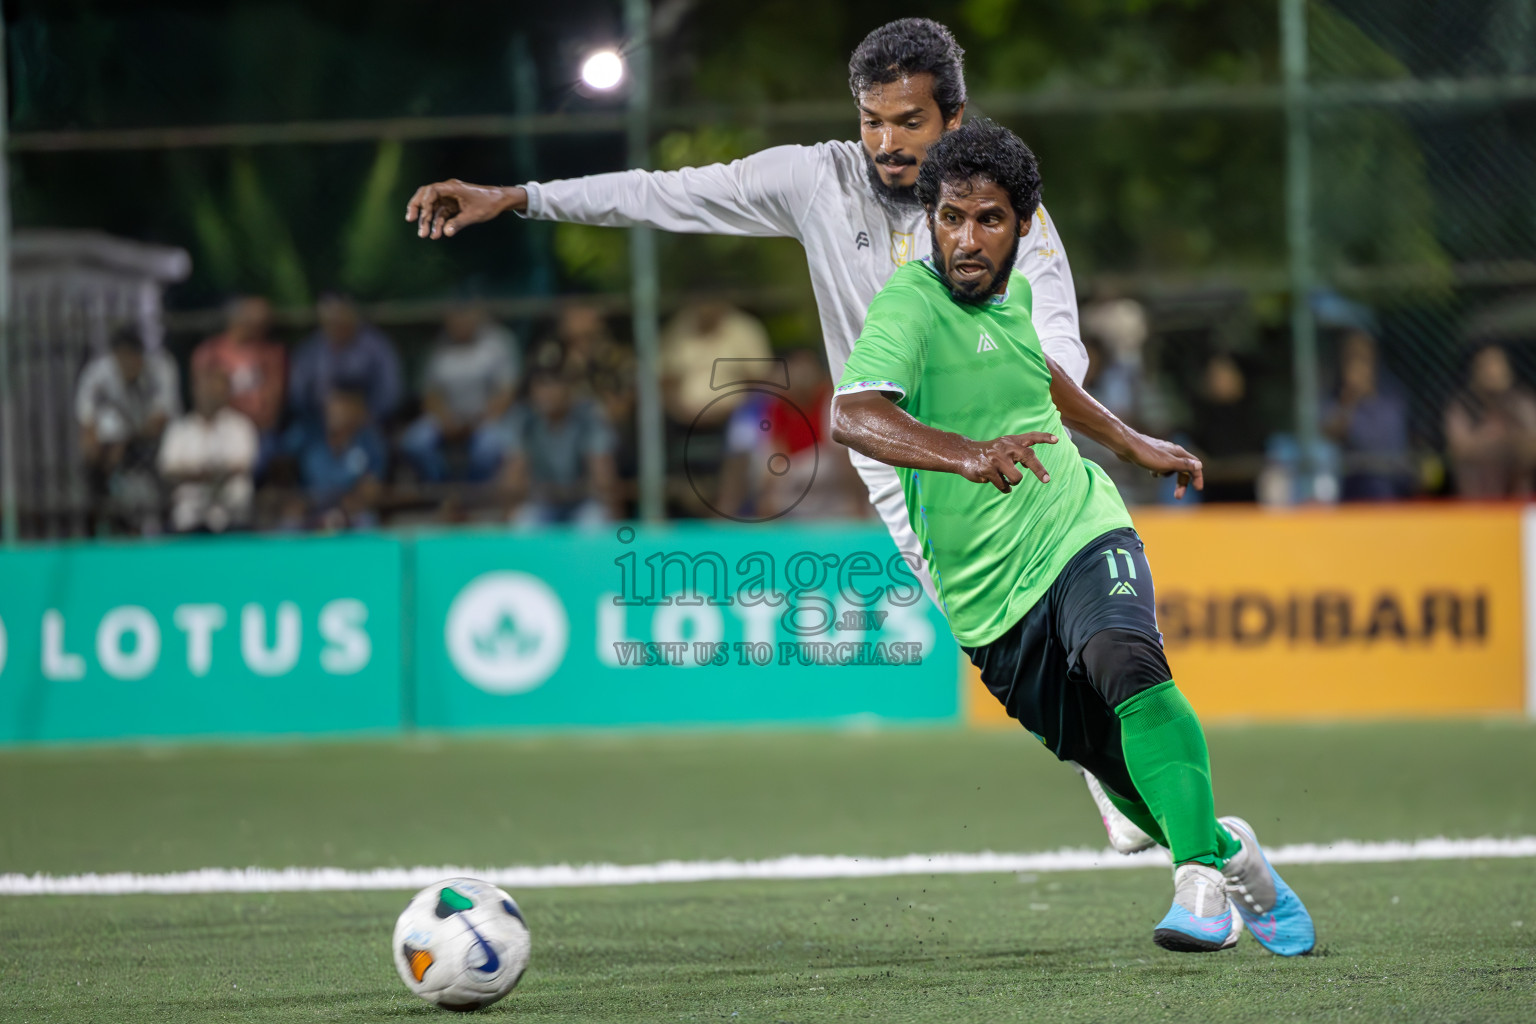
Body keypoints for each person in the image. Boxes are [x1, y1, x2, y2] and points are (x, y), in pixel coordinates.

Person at [405, 17, 1146, 855]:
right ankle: (1115, 771)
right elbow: (664, 192)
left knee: (1089, 629)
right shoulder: (815, 181)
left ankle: (1137, 777)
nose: (887, 143)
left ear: (956, 119)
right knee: (1015, 649)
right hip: (901, 471)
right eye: (873, 120)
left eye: (909, 122)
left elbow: (1059, 353)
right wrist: (520, 197)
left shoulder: (1005, 217)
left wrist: (1065, 428)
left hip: (1016, 452)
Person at [831, 120, 1315, 955]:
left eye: (988, 219)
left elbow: (1039, 376)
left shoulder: (1014, 296)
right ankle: (1233, 856)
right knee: (1128, 782)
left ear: (1023, 225)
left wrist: (1128, 443)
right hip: (986, 599)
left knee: (1124, 661)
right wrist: (969, 454)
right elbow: (853, 412)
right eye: (951, 217)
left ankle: (1199, 887)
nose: (967, 239)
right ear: (931, 221)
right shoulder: (908, 303)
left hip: (1074, 522)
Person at [400, 304, 519, 483]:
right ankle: (442, 488)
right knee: (414, 442)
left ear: (477, 316)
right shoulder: (438, 347)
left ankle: (474, 494)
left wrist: (478, 422)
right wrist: (446, 421)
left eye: (465, 315)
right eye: (454, 317)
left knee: (488, 447)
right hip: (448, 419)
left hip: (489, 418)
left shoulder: (498, 342)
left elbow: (507, 392)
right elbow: (429, 395)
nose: (460, 322)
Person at [76, 325, 181, 528]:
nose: (127, 364)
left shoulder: (161, 368)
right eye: (121, 357)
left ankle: (164, 524)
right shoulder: (97, 375)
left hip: (153, 445)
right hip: (111, 447)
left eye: (131, 356)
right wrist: (100, 452)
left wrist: (124, 442)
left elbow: (159, 422)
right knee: (94, 456)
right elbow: (87, 424)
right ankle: (99, 519)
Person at [502, 361, 618, 527]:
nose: (546, 393)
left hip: (583, 503)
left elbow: (603, 477)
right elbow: (513, 478)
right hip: (542, 503)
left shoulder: (588, 418)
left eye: (553, 384)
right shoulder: (525, 421)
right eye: (541, 385)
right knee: (522, 524)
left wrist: (609, 508)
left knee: (596, 523)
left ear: (568, 389)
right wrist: (511, 507)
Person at [157, 364, 258, 533]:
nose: (211, 394)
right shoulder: (179, 429)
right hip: (190, 512)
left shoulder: (241, 426)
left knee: (239, 491)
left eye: (217, 389)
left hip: (232, 512)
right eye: (207, 387)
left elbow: (242, 466)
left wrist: (194, 473)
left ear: (226, 392)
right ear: (195, 390)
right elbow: (168, 469)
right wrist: (211, 474)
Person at [287, 294, 402, 432]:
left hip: (369, 423)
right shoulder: (310, 350)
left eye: (340, 315)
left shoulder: (377, 346)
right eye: (330, 319)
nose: (336, 321)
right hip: (318, 425)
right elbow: (297, 394)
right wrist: (322, 417)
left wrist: (367, 415)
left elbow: (391, 391)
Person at [1321, 331, 1413, 500]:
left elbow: (1391, 442)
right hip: (1353, 484)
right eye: (1350, 360)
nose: (1357, 367)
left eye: (1362, 359)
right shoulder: (1338, 399)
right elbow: (1329, 433)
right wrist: (1349, 401)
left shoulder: (1391, 396)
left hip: (1390, 484)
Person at [1444, 343, 1536, 498]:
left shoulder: (1522, 403)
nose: (1493, 372)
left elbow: (1532, 446)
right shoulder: (1464, 406)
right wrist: (1491, 439)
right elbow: (1459, 450)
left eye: (1498, 365)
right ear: (1476, 372)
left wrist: (1505, 440)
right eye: (1487, 366)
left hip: (1519, 499)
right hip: (1478, 499)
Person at [291, 385, 388, 530]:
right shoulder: (308, 438)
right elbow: (290, 480)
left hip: (351, 513)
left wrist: (353, 503)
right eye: (331, 403)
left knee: (366, 522)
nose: (335, 409)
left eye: (342, 403)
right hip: (311, 511)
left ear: (356, 410)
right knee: (287, 525)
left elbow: (372, 486)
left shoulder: (369, 443)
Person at [191, 296, 286, 440]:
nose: (259, 325)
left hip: (260, 432)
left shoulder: (271, 355)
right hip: (219, 430)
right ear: (236, 318)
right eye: (252, 318)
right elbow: (202, 400)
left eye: (263, 322)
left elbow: (271, 408)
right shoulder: (210, 352)